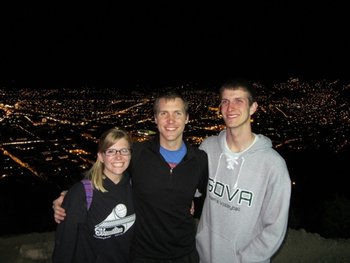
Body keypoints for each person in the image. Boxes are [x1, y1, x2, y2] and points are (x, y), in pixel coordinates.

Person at [53, 91, 209, 263]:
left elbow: (202, 195)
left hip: (185, 253)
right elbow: (111, 173)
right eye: (164, 113)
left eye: (177, 113)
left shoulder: (199, 159)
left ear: (187, 118)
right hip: (144, 254)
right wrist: (71, 195)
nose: (170, 120)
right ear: (155, 119)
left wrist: (191, 200)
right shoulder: (139, 153)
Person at [196, 79, 291, 263]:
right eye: (225, 101)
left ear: (253, 107)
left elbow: (275, 228)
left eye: (239, 100)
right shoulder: (208, 148)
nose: (230, 108)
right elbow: (192, 187)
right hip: (204, 256)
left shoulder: (273, 164)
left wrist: (244, 259)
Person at [52, 128, 135, 263]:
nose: (118, 156)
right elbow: (65, 243)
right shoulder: (82, 192)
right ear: (101, 157)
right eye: (111, 151)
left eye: (124, 150)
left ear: (130, 154)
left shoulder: (135, 188)